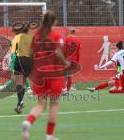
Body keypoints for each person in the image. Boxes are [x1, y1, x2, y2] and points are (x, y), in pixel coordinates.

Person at [22, 11, 71, 140]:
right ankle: (49, 136)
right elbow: (58, 52)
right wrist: (65, 62)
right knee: (54, 103)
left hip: (38, 73)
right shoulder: (55, 35)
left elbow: (31, 53)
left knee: (40, 104)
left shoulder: (36, 35)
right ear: (54, 22)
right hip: (53, 73)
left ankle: (28, 121)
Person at [63, 27, 81, 94]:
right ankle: (67, 90)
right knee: (69, 75)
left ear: (70, 32)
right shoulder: (78, 41)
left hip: (67, 59)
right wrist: (77, 62)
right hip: (74, 60)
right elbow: (78, 52)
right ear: (75, 32)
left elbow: (64, 49)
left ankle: (63, 89)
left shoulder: (66, 39)